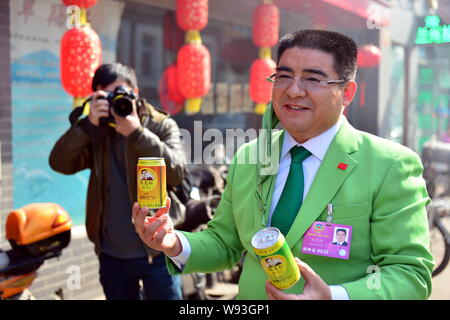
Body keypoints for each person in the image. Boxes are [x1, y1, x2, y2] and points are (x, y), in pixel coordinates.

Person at [132, 30, 434, 300]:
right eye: (284, 76)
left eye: (313, 79)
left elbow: (410, 275)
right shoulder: (250, 156)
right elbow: (225, 242)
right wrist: (173, 242)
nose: (293, 90)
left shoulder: (390, 165)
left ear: (347, 92)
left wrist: (333, 297)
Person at [49, 63, 186, 300]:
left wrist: (137, 134)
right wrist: (86, 126)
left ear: (136, 91)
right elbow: (60, 163)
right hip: (112, 254)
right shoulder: (96, 131)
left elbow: (177, 171)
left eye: (120, 93)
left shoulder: (160, 124)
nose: (115, 102)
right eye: (107, 96)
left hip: (159, 249)